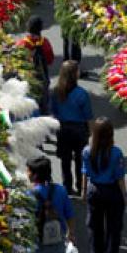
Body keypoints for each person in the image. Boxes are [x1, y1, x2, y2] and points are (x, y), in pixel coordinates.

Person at [81, 118, 127, 253]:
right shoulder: (116, 153)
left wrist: (83, 192)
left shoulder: (87, 151)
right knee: (114, 225)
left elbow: (84, 173)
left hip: (94, 189)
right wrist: (125, 196)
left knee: (95, 224)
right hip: (112, 190)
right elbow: (120, 177)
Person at [51, 60, 93, 196]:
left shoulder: (56, 91)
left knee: (65, 159)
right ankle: (81, 186)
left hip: (62, 129)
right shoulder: (81, 94)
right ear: (75, 74)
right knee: (81, 160)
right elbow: (88, 116)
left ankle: (67, 186)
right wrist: (91, 134)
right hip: (79, 129)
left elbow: (53, 111)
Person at [16, 15, 54, 113]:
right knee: (44, 97)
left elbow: (17, 61)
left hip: (28, 76)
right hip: (42, 75)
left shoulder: (22, 44)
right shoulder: (45, 42)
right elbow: (50, 60)